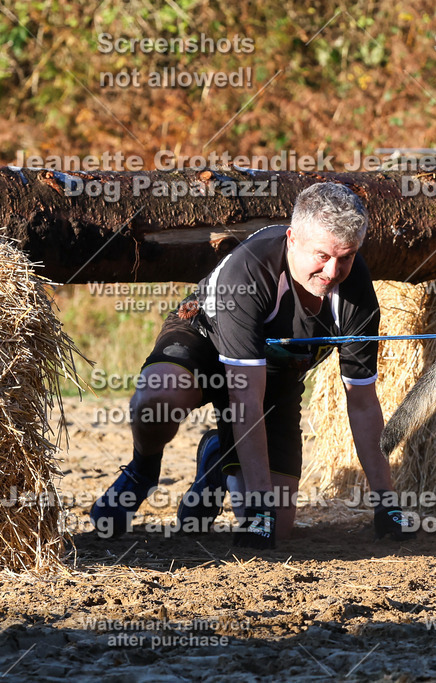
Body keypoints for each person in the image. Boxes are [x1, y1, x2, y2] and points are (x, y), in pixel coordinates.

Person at [89, 182, 415, 548]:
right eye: (322, 255)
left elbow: (363, 401)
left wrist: (386, 501)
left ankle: (217, 455)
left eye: (347, 257)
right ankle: (142, 468)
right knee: (158, 398)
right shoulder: (248, 273)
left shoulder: (355, 292)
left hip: (274, 375)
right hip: (204, 345)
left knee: (278, 530)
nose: (332, 270)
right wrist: (260, 506)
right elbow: (244, 399)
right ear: (292, 239)